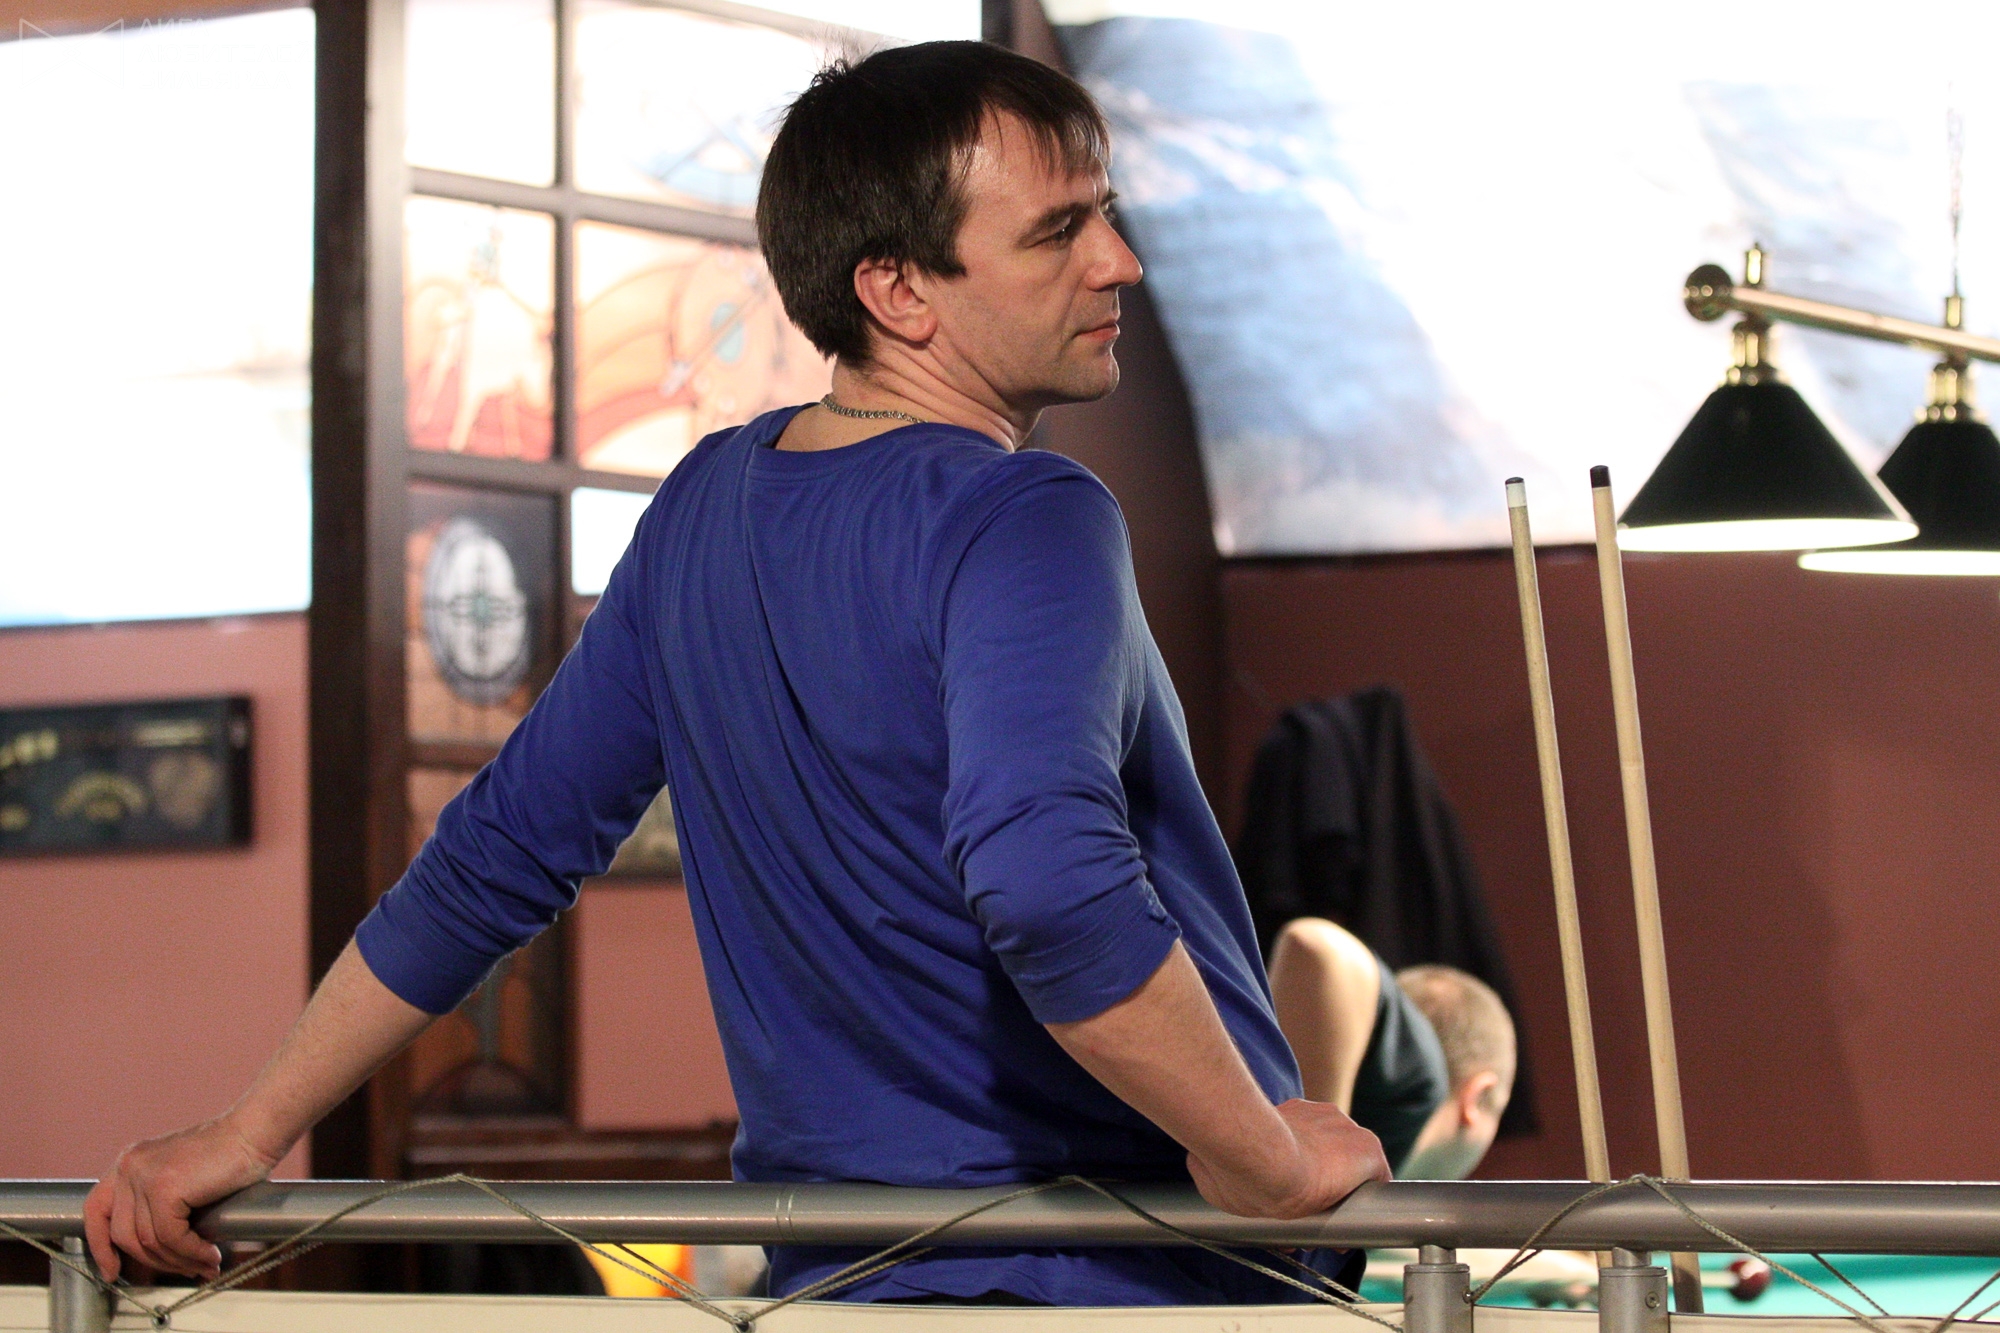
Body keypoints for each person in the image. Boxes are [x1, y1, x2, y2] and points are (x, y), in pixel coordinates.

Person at [85, 41, 1388, 1306]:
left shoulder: (704, 508)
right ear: (898, 291)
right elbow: (1047, 885)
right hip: (1117, 1280)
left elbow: (493, 856)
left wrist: (250, 1130)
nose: (1120, 260)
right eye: (1059, 232)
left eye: (1103, 212)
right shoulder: (1028, 516)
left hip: (846, 1286)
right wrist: (1259, 1156)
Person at [1267, 918, 1515, 1181]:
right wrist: (1319, 1160)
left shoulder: (1383, 1147)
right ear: (1476, 1095)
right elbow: (1319, 946)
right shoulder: (1418, 1088)